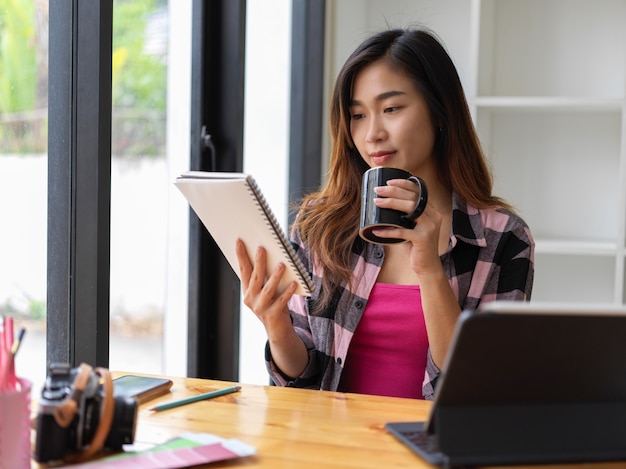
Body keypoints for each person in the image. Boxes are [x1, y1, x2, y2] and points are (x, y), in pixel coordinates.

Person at [235, 27, 534, 400]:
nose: (372, 133)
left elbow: (478, 391)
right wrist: (276, 327)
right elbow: (303, 386)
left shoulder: (502, 237)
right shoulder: (318, 227)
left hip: (433, 452)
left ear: (440, 112)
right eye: (357, 115)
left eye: (391, 109)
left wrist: (430, 271)